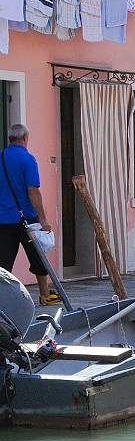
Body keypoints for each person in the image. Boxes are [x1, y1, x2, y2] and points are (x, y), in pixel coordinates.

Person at [0, 123, 59, 305]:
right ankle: (44, 295)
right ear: (25, 138)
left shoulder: (1, 157)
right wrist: (43, 218)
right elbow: (33, 189)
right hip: (27, 218)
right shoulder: (28, 159)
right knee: (38, 257)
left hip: (3, 219)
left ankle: (2, 302)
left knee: (3, 264)